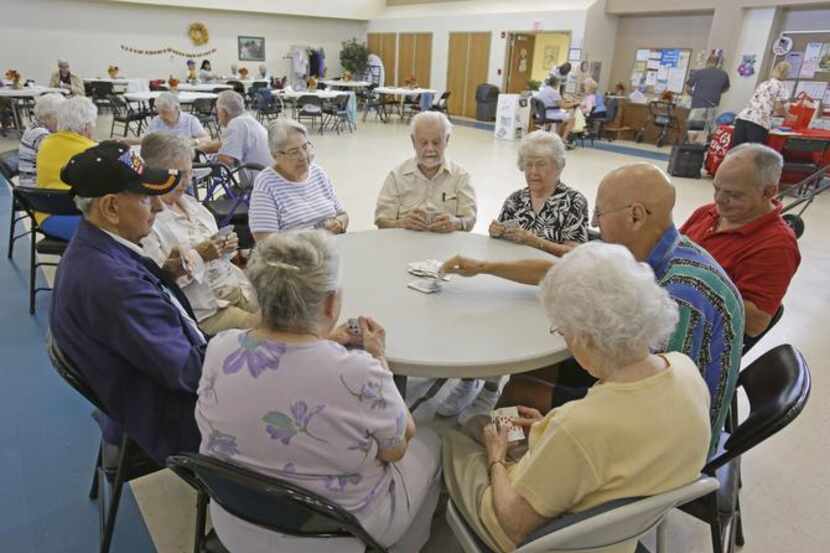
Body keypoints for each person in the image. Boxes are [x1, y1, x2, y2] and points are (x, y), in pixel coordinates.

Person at [443, 163, 744, 454]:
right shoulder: (654, 246)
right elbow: (559, 269)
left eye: (599, 213)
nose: (596, 224)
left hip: (668, 440)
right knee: (537, 365)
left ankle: (502, 453)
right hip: (649, 392)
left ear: (636, 215)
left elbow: (655, 404)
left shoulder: (682, 296)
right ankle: (511, 438)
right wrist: (484, 266)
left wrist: (561, 422)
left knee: (523, 390)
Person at [443, 241, 711, 553]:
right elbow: (619, 444)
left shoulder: (579, 426)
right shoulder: (686, 371)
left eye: (562, 331)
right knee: (495, 423)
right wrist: (548, 426)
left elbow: (514, 524)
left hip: (544, 539)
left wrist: (496, 458)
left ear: (585, 337)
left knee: (452, 436)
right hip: (620, 530)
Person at [195, 230, 441, 553]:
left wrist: (324, 342)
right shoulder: (358, 372)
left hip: (234, 521)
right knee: (433, 440)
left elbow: (283, 369)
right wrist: (378, 358)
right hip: (331, 535)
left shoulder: (220, 349)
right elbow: (396, 448)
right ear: (329, 302)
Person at [50, 141, 205, 464]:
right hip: (175, 418)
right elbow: (190, 374)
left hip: (148, 385)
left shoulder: (97, 246)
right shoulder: (112, 283)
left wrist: (165, 278)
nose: (160, 208)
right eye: (148, 198)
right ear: (110, 208)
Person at [139, 133, 259, 335]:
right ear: (156, 173)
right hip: (205, 310)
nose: (187, 181)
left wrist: (226, 247)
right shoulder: (147, 222)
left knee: (290, 317)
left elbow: (223, 259)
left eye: (190, 173)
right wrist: (200, 255)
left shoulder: (194, 206)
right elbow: (159, 282)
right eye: (180, 174)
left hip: (235, 287)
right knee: (271, 331)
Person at [681, 143, 800, 338]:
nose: (719, 200)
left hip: (702, 338)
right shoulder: (707, 213)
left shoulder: (777, 246)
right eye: (717, 188)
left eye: (734, 195)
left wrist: (691, 281)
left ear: (768, 192)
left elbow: (755, 323)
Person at [490, 130, 588, 256]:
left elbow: (576, 254)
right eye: (529, 165)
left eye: (541, 164)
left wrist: (537, 242)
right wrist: (496, 232)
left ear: (559, 165)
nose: (533, 172)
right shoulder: (515, 200)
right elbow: (499, 246)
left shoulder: (574, 201)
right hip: (513, 268)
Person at [375, 111, 477, 232]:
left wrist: (457, 223)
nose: (430, 149)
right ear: (413, 141)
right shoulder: (397, 176)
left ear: (447, 140)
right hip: (405, 246)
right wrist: (401, 223)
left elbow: (470, 219)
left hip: (447, 247)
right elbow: (381, 221)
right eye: (423, 143)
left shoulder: (460, 177)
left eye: (436, 142)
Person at [250, 118, 348, 241]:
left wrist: (339, 223)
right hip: (293, 256)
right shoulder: (266, 184)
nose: (303, 156)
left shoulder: (318, 173)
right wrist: (312, 236)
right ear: (276, 156)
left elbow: (342, 214)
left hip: (330, 249)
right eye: (294, 152)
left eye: (305, 147)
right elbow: (264, 240)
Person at [35, 96, 98, 240]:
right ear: (86, 126)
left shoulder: (45, 143)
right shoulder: (91, 151)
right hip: (77, 219)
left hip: (46, 217)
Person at [201, 90, 273, 176]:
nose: (215, 113)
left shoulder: (236, 124)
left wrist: (206, 159)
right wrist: (203, 148)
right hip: (268, 174)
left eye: (217, 110)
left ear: (224, 112)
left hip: (258, 181)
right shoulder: (247, 119)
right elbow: (225, 144)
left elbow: (226, 160)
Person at [732, 62, 790, 147]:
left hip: (743, 118)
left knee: (737, 151)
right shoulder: (782, 87)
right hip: (759, 122)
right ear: (787, 73)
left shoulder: (764, 83)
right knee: (755, 153)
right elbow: (778, 107)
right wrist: (787, 115)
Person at [17, 93, 65, 186]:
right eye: (60, 117)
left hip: (39, 180)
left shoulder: (35, 126)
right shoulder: (39, 134)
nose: (62, 121)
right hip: (35, 187)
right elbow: (59, 156)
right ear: (46, 117)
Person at [686, 54, 730, 135]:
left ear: (707, 62)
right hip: (713, 106)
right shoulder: (723, 74)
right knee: (708, 131)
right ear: (718, 63)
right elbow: (726, 88)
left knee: (694, 131)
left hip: (698, 105)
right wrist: (716, 92)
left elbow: (688, 88)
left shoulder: (699, 72)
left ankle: (693, 145)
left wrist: (694, 95)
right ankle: (704, 146)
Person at [145, 92, 209, 144]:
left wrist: (193, 141)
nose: (161, 115)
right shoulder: (156, 120)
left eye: (165, 112)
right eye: (159, 111)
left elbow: (206, 138)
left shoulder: (190, 120)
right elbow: (146, 139)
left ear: (177, 108)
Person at [558, 78, 605, 144]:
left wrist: (580, 110)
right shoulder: (591, 96)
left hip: (583, 117)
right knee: (565, 119)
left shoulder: (589, 98)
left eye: (585, 87)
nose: (583, 88)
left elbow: (589, 109)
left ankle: (563, 138)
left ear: (589, 88)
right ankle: (562, 137)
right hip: (582, 115)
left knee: (566, 120)